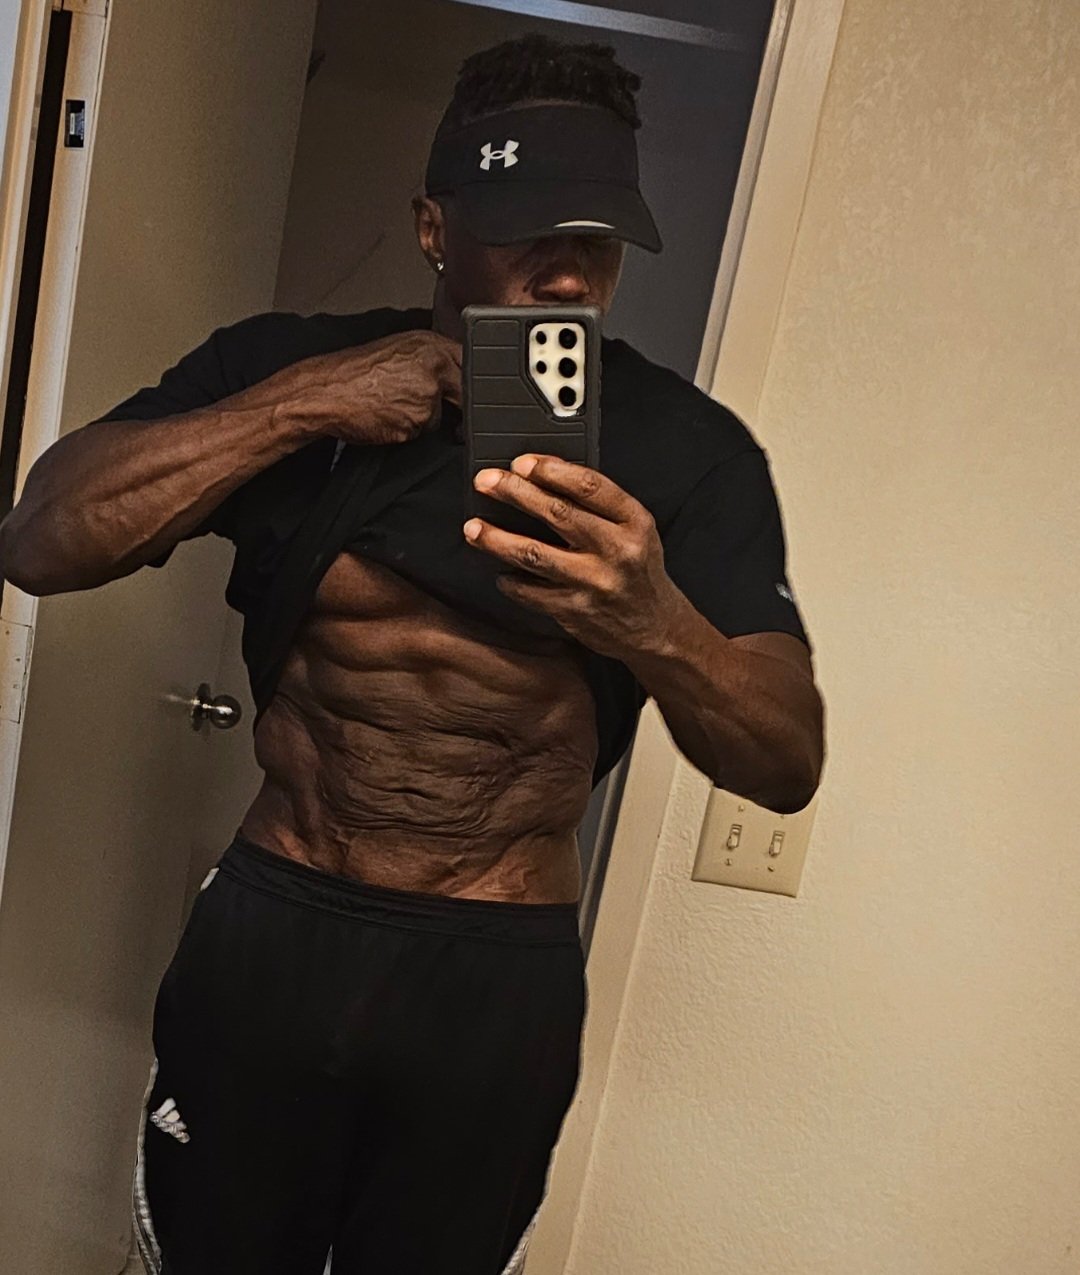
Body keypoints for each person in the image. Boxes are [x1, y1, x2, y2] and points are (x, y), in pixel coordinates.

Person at [0, 31, 824, 1275]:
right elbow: (41, 541)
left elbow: (784, 759)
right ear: (437, 228)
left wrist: (651, 616)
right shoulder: (279, 369)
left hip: (491, 972)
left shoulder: (689, 451)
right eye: (531, 233)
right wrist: (303, 406)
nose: (569, 275)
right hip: (280, 923)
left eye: (598, 241)